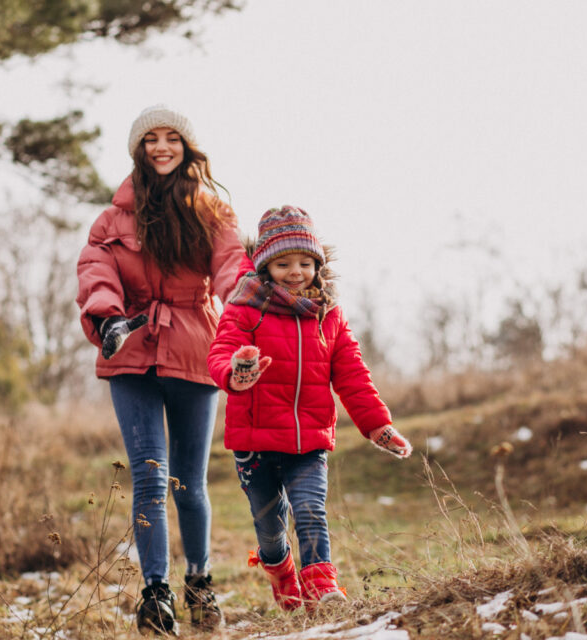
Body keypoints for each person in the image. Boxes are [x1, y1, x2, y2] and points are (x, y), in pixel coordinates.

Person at [76, 104, 245, 635]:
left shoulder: (213, 213)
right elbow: (95, 269)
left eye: (173, 138)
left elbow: (230, 267)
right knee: (148, 479)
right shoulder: (112, 220)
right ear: (139, 149)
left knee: (188, 484)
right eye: (152, 139)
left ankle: (200, 583)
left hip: (196, 349)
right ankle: (156, 595)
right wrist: (106, 319)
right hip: (130, 352)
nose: (162, 147)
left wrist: (243, 309)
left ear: (187, 147)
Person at [207, 205, 413, 613]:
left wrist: (378, 426)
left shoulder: (328, 315)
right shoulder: (246, 306)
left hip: (308, 440)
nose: (296, 271)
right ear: (265, 266)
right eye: (283, 263)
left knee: (311, 511)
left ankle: (322, 587)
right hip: (256, 442)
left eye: (305, 262)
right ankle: (282, 573)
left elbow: (352, 374)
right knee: (270, 529)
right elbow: (223, 352)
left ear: (318, 264)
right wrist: (238, 372)